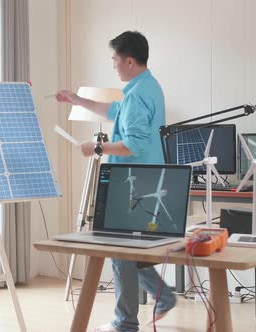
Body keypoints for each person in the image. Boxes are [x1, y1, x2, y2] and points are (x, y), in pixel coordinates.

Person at [56, 31, 176, 332]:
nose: (113, 65)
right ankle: (161, 297)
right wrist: (77, 99)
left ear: (130, 60)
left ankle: (126, 322)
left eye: (115, 60)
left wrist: (95, 148)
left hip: (131, 180)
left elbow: (133, 143)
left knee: (118, 249)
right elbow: (113, 112)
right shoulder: (147, 86)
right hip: (142, 177)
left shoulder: (136, 94)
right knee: (125, 250)